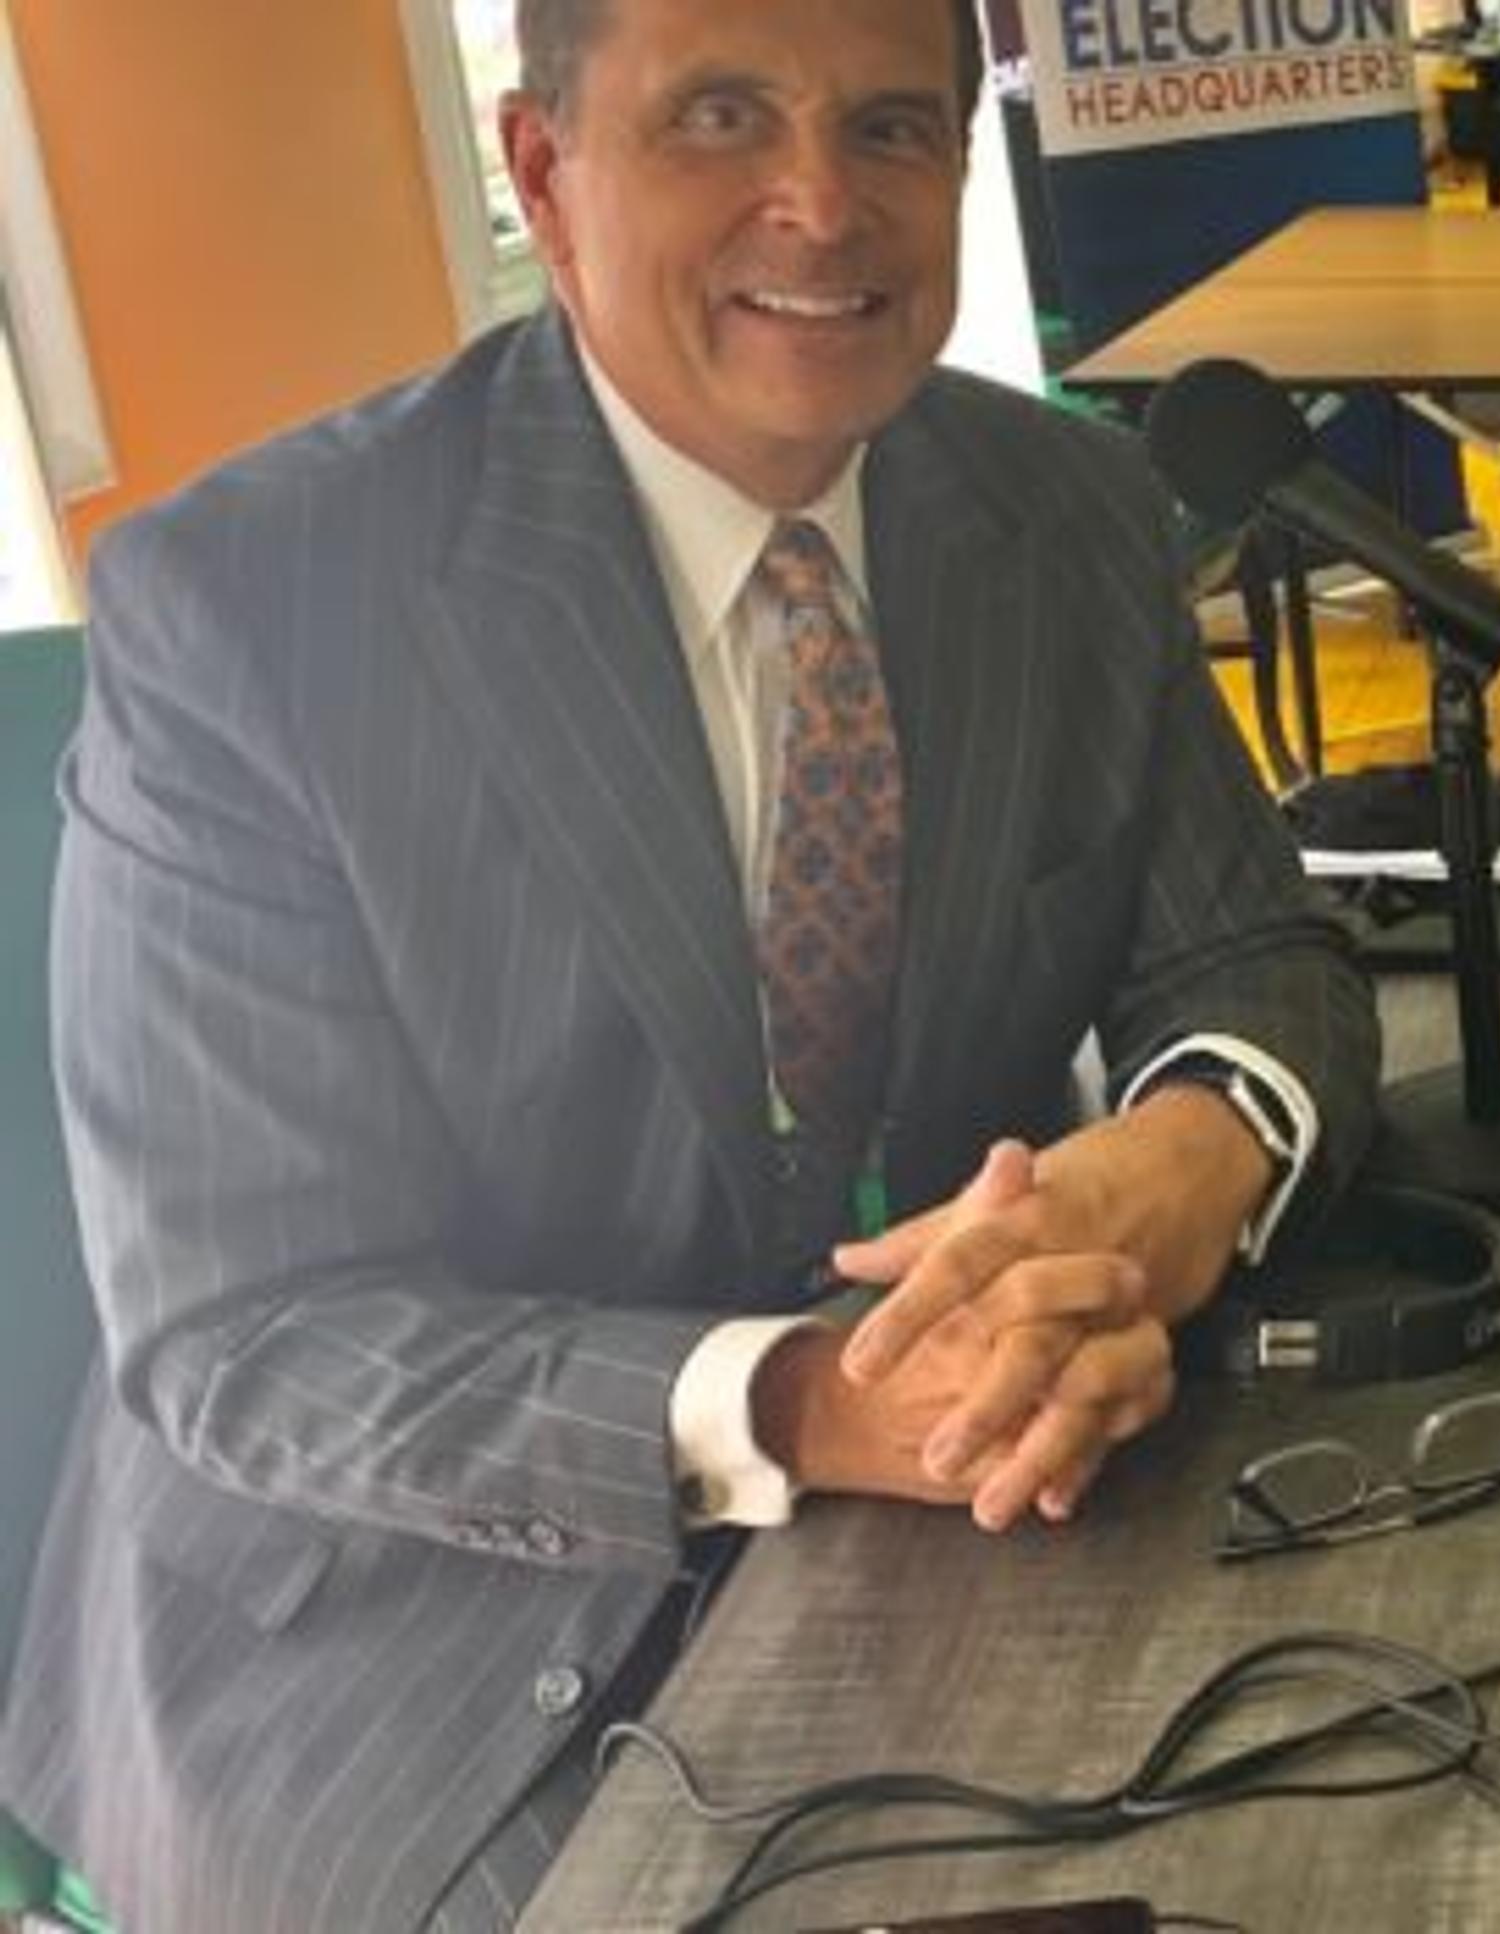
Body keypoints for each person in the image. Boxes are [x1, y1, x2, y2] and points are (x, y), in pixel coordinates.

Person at [0, 1, 1381, 1927]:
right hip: (397, 1632)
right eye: (722, 116)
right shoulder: (253, 610)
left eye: (894, 131)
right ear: (544, 174)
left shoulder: (1064, 510)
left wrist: (1189, 1157)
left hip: (945, 1517)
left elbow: (1259, 949)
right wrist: (811, 1398)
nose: (822, 206)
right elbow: (250, 1337)